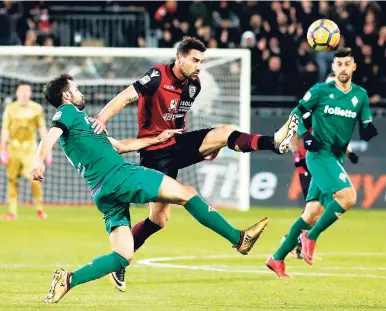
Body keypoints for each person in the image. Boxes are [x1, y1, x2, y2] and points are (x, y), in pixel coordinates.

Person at [32, 73, 269, 303]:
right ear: (66, 95)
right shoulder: (67, 112)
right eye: (76, 89)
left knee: (122, 256)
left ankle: (68, 280)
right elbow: (51, 134)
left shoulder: (82, 125)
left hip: (102, 193)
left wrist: (156, 139)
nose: (80, 93)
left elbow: (121, 146)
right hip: (120, 177)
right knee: (186, 193)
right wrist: (38, 160)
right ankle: (239, 239)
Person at [91, 36, 299, 291]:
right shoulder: (157, 75)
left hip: (175, 144)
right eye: (195, 60)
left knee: (223, 133)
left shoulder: (194, 86)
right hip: (153, 152)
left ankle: (274, 142)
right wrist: (101, 119)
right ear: (180, 57)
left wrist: (204, 149)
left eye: (202, 61)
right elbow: (125, 96)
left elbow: (178, 121)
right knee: (159, 219)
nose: (199, 66)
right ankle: (120, 260)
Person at [266, 47, 378, 277]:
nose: (343, 68)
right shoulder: (320, 90)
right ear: (333, 67)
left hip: (335, 157)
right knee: (348, 197)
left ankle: (276, 258)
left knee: (312, 213)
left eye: (348, 64)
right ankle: (310, 236)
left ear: (354, 66)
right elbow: (297, 113)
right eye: (339, 64)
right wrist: (305, 136)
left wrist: (368, 131)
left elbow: (366, 123)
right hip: (318, 155)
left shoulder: (361, 95)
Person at [0, 82, 51, 220]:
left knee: (35, 178)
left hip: (30, 150)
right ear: (17, 93)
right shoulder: (10, 109)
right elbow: (5, 130)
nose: (23, 94)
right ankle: (12, 212)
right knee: (12, 180)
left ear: (30, 93)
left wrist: (48, 150)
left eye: (26, 92)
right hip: (13, 149)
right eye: (21, 92)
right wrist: (2, 150)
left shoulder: (37, 109)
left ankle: (39, 209)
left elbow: (41, 128)